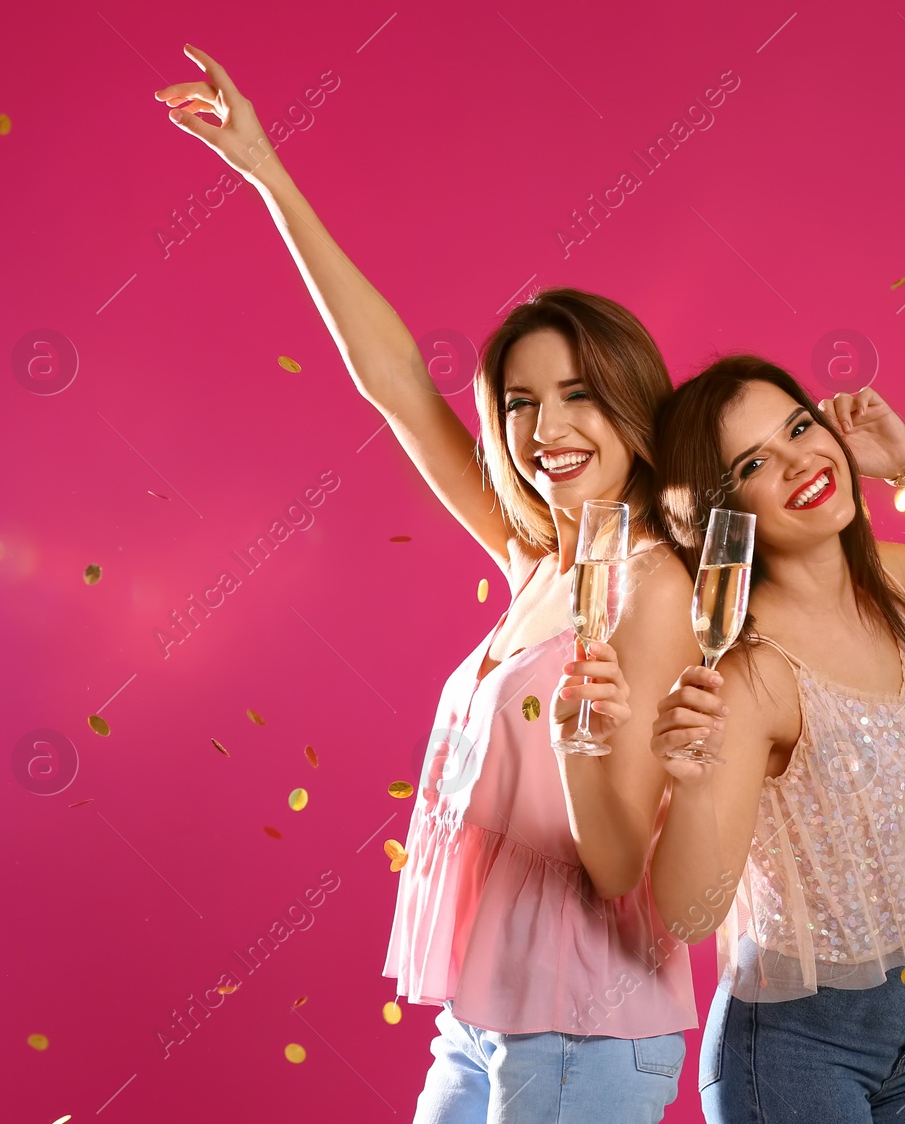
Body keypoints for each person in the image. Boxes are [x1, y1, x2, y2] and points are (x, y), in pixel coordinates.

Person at [154, 45, 700, 1123]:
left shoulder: (657, 585)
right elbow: (396, 383)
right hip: (485, 1020)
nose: (546, 428)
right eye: (519, 401)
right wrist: (268, 170)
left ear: (635, 402)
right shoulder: (541, 560)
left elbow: (628, 850)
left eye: (580, 393)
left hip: (585, 1027)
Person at [643, 355, 905, 1122]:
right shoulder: (753, 674)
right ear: (724, 514)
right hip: (798, 1045)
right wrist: (691, 778)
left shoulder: (887, 591)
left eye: (801, 425)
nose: (802, 458)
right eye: (756, 462)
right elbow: (690, 916)